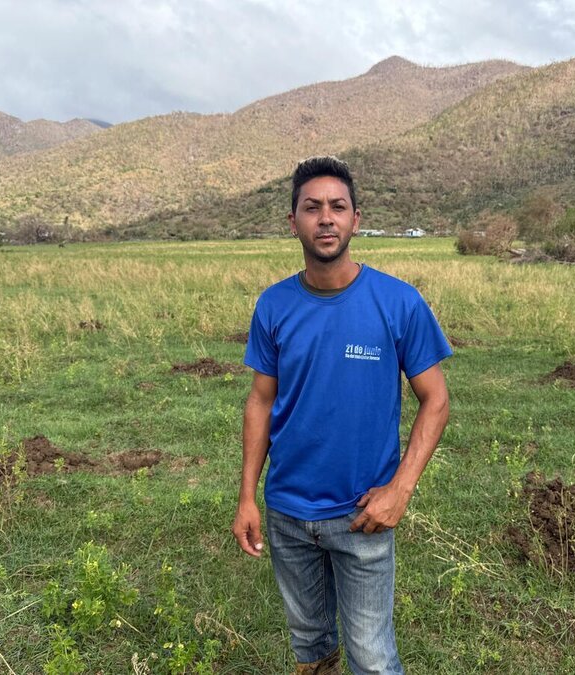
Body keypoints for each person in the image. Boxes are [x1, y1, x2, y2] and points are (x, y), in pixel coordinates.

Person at [232, 156, 451, 674]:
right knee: (310, 646)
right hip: (287, 514)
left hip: (362, 517)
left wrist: (400, 490)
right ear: (293, 223)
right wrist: (247, 495)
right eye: (312, 208)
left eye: (337, 207)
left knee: (373, 658)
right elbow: (261, 400)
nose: (325, 218)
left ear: (355, 219)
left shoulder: (398, 303)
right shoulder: (273, 305)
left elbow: (436, 401)